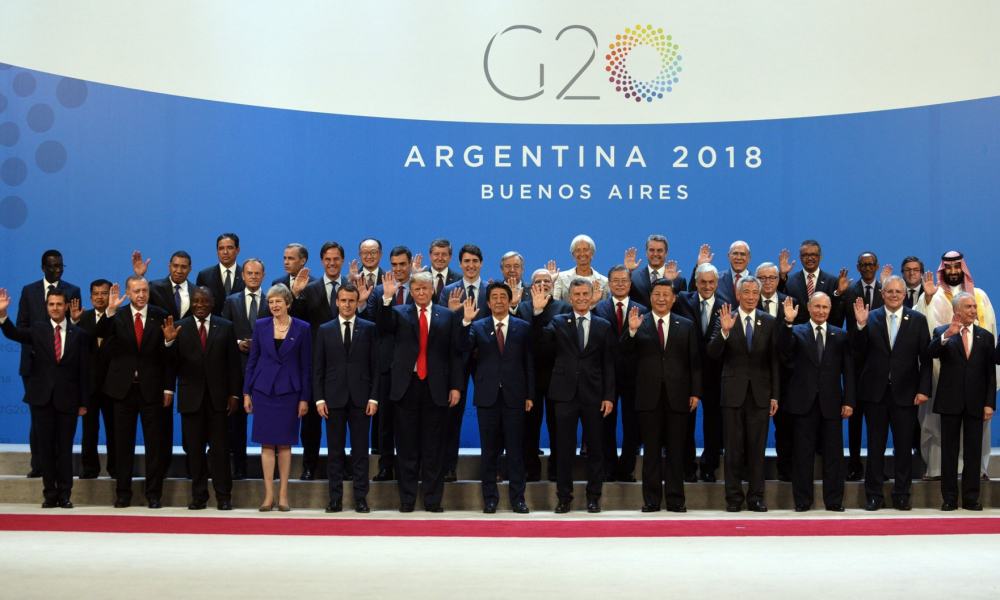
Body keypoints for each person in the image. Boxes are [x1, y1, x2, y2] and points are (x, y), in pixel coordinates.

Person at [376, 271, 465, 512]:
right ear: (412, 291)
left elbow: (455, 354)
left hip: (436, 388)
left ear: (432, 290)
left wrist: (456, 386)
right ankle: (407, 500)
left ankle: (432, 500)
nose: (422, 292)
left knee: (433, 448)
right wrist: (386, 299)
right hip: (407, 387)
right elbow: (383, 327)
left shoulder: (447, 315)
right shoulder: (398, 312)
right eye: (417, 289)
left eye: (426, 288)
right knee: (406, 448)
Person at [530, 278, 614, 513]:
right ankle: (564, 498)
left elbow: (609, 365)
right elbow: (538, 345)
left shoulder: (603, 325)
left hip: (594, 396)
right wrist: (537, 312)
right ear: (569, 297)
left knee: (596, 449)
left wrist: (608, 396)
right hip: (564, 395)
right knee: (564, 449)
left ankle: (593, 497)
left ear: (592, 296)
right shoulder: (557, 322)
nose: (581, 298)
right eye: (576, 295)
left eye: (585, 294)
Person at [0, 288, 89, 508]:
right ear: (46, 307)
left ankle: (65, 495)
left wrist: (84, 402)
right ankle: (50, 495)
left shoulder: (80, 335)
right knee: (46, 449)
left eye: (59, 304)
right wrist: (3, 315)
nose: (55, 308)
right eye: (51, 304)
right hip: (41, 400)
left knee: (65, 449)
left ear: (67, 306)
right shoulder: (38, 330)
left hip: (68, 401)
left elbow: (85, 372)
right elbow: (13, 333)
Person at [914, 250, 996, 481]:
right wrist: (928, 300)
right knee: (940, 428)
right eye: (947, 267)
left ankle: (977, 471)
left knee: (976, 430)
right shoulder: (932, 295)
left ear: (963, 269)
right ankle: (937, 469)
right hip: (944, 374)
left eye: (956, 267)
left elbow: (990, 333)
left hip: (976, 377)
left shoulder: (979, 296)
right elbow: (927, 335)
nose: (952, 271)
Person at [851, 276, 931, 511]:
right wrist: (860, 327)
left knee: (904, 447)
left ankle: (902, 494)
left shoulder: (917, 320)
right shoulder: (870, 317)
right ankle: (874, 495)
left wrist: (923, 389)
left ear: (905, 294)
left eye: (898, 291)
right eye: (889, 291)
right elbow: (856, 352)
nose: (894, 295)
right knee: (875, 447)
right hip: (875, 395)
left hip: (906, 395)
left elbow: (925, 360)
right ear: (882, 294)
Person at [620, 280, 700, 512]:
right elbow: (623, 354)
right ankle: (652, 500)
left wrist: (696, 391)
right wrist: (631, 331)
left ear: (674, 298)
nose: (662, 298)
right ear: (650, 297)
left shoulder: (686, 325)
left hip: (678, 396)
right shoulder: (638, 322)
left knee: (676, 450)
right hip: (647, 396)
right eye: (657, 294)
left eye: (666, 294)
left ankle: (676, 500)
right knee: (651, 451)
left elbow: (695, 362)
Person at [96, 277, 175, 509]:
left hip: (152, 390)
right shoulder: (116, 316)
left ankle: (154, 495)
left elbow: (169, 358)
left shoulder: (160, 314)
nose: (141, 294)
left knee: (155, 446)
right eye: (136, 291)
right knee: (123, 445)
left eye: (144, 290)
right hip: (122, 391)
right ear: (128, 293)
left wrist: (168, 385)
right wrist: (109, 311)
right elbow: (98, 334)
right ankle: (123, 493)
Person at [163, 287, 241, 510]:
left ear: (212, 302)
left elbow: (233, 366)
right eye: (196, 301)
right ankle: (198, 497)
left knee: (220, 451)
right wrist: (168, 343)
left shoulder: (225, 327)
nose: (199, 305)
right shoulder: (179, 327)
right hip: (191, 400)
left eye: (204, 301)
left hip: (219, 401)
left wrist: (234, 394)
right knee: (194, 451)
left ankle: (224, 497)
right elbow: (171, 365)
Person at [707, 276, 780, 512]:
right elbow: (712, 353)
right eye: (745, 292)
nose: (750, 297)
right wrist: (725, 333)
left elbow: (774, 362)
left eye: (754, 293)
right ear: (738, 295)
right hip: (733, 395)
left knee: (757, 450)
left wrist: (774, 395)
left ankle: (756, 497)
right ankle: (734, 499)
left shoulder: (769, 321)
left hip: (760, 395)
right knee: (733, 450)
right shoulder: (726, 316)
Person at [778, 293, 855, 512]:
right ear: (809, 308)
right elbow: (783, 352)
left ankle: (834, 501)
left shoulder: (840, 335)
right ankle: (802, 501)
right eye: (817, 306)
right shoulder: (796, 331)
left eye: (825, 307)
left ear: (830, 310)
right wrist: (788, 322)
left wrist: (849, 400)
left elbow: (848, 371)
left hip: (831, 404)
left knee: (834, 456)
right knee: (802, 455)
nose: (821, 311)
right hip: (803, 404)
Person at [463, 282, 533, 513]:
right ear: (488, 302)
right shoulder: (478, 326)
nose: (499, 300)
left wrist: (530, 394)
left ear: (510, 300)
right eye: (494, 297)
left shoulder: (522, 327)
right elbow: (463, 352)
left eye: (503, 296)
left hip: (515, 397)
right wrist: (465, 322)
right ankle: (490, 498)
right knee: (489, 452)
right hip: (487, 398)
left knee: (515, 451)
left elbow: (529, 364)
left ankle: (518, 499)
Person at [243, 284, 312, 512]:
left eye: (278, 301)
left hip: (289, 393)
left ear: (288, 303)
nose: (274, 305)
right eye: (271, 302)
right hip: (263, 391)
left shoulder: (302, 328)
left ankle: (283, 495)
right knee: (266, 444)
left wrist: (304, 398)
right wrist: (246, 392)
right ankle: (268, 496)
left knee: (284, 445)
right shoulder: (261, 325)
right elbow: (252, 361)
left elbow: (306, 367)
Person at [291, 241, 354, 480]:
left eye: (336, 259)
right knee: (311, 423)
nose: (332, 263)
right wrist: (295, 295)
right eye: (327, 259)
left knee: (343, 419)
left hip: (344, 365)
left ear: (342, 261)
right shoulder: (308, 288)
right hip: (315, 364)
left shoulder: (351, 287)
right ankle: (310, 465)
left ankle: (344, 466)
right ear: (321, 261)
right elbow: (295, 322)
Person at [314, 283, 379, 513]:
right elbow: (318, 368)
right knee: (335, 452)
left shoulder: (369, 328)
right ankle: (335, 499)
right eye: (343, 300)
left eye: (352, 300)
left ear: (357, 301)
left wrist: (374, 398)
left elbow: (375, 367)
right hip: (333, 400)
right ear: (337, 302)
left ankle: (361, 498)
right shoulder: (325, 329)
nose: (347, 304)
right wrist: (319, 399)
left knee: (361, 452)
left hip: (362, 400)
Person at [16, 249, 81, 478]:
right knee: (39, 419)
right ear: (43, 267)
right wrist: (40, 338)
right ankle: (39, 465)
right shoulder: (29, 291)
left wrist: (74, 320)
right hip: (34, 366)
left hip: (62, 368)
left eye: (61, 266)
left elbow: (76, 327)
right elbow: (21, 325)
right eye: (52, 266)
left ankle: (58, 468)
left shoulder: (73, 291)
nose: (57, 270)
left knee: (62, 422)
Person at [928, 292, 995, 511]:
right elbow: (931, 353)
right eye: (969, 307)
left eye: (975, 307)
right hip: (950, 402)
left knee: (973, 453)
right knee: (948, 452)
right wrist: (948, 334)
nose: (974, 311)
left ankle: (971, 498)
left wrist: (989, 403)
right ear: (957, 310)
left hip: (976, 403)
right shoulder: (943, 332)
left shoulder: (985, 336)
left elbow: (989, 374)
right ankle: (949, 498)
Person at [132, 249, 193, 475]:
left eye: (183, 267)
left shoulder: (196, 291)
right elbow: (140, 298)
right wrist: (139, 275)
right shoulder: (154, 288)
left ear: (189, 269)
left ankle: (192, 462)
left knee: (190, 412)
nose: (178, 270)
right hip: (161, 359)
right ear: (169, 266)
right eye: (175, 266)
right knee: (162, 417)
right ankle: (162, 466)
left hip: (189, 359)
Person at [365, 245, 417, 482]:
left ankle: (411, 466)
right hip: (386, 363)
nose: (398, 269)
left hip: (413, 365)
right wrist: (386, 298)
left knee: (410, 421)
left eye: (402, 264)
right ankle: (386, 465)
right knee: (384, 420)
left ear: (410, 265)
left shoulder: (419, 289)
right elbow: (376, 326)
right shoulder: (378, 292)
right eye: (394, 265)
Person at [440, 244, 490, 482]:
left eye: (475, 261)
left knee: (490, 415)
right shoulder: (449, 291)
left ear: (481, 263)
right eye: (466, 261)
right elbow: (441, 327)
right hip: (457, 359)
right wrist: (452, 313)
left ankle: (491, 468)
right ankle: (448, 466)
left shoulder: (492, 290)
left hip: (486, 359)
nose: (471, 265)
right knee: (452, 416)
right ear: (460, 264)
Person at [593, 264, 647, 481]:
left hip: (633, 376)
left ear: (630, 283)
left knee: (632, 424)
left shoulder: (642, 310)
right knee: (606, 423)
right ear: (609, 283)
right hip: (606, 375)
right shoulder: (599, 308)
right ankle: (608, 467)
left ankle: (627, 468)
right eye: (615, 280)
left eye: (624, 280)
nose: (620, 284)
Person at [518, 268, 572, 482]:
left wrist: (538, 316)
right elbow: (525, 340)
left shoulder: (564, 307)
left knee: (557, 427)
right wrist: (536, 313)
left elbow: (553, 341)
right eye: (538, 281)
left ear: (552, 284)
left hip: (557, 376)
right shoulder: (523, 308)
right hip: (529, 377)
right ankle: (531, 470)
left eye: (546, 280)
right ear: (531, 286)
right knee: (529, 428)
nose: (542, 284)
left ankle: (556, 470)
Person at [673, 263, 725, 481]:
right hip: (687, 373)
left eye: (711, 282)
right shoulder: (683, 300)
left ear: (717, 283)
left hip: (715, 373)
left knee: (714, 424)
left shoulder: (725, 306)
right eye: (702, 281)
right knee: (686, 423)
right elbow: (661, 299)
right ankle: (687, 467)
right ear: (695, 282)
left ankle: (709, 466)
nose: (706, 286)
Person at [220, 258, 269, 479]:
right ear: (242, 275)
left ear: (263, 276)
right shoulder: (231, 301)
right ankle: (239, 467)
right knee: (236, 424)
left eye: (257, 274)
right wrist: (237, 343)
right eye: (249, 273)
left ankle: (269, 470)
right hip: (238, 370)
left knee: (268, 421)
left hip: (266, 371)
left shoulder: (272, 301)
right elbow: (221, 333)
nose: (253, 277)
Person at [840, 251, 884, 481]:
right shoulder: (850, 291)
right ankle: (855, 464)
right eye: (863, 265)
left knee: (877, 420)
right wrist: (838, 293)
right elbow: (838, 320)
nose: (867, 268)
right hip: (855, 362)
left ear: (876, 266)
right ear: (858, 267)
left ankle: (878, 467)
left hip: (879, 362)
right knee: (855, 418)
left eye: (871, 264)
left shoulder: (887, 290)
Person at [72, 279, 116, 479]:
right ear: (90, 297)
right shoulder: (81, 317)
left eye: (104, 293)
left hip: (113, 385)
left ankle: (116, 468)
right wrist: (73, 323)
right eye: (96, 293)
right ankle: (89, 469)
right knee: (89, 431)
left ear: (111, 295)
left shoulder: (119, 317)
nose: (100, 297)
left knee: (115, 430)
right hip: (88, 386)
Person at [755, 261, 795, 481]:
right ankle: (751, 472)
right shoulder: (748, 302)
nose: (767, 282)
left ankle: (785, 471)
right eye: (762, 278)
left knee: (785, 428)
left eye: (771, 278)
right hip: (757, 373)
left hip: (786, 376)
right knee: (753, 429)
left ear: (779, 280)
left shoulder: (791, 303)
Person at [777, 240, 849, 325]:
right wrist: (782, 276)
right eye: (805, 255)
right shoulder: (789, 281)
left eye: (813, 255)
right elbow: (778, 301)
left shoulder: (833, 281)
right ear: (800, 258)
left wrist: (838, 293)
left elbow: (837, 314)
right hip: (797, 334)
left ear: (820, 257)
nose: (810, 258)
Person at [625, 234, 687, 307]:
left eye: (659, 250)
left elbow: (682, 308)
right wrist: (627, 271)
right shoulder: (633, 277)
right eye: (651, 250)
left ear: (666, 253)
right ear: (646, 252)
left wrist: (669, 282)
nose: (655, 254)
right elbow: (621, 299)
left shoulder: (678, 281)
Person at [690, 241, 750, 306]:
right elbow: (693, 295)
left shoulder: (757, 282)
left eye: (742, 254)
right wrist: (700, 267)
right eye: (735, 253)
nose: (738, 257)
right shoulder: (716, 279)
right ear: (728, 256)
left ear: (749, 257)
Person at [196, 233, 244, 315]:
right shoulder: (204, 276)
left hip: (239, 326)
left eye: (230, 248)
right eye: (221, 248)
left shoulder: (246, 275)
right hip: (214, 326)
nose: (225, 252)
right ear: (217, 251)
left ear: (237, 250)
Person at [551, 234, 609, 302]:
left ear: (592, 253)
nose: (582, 254)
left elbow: (604, 309)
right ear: (573, 255)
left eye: (585, 250)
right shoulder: (561, 278)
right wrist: (550, 282)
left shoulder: (604, 282)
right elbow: (555, 305)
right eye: (578, 250)